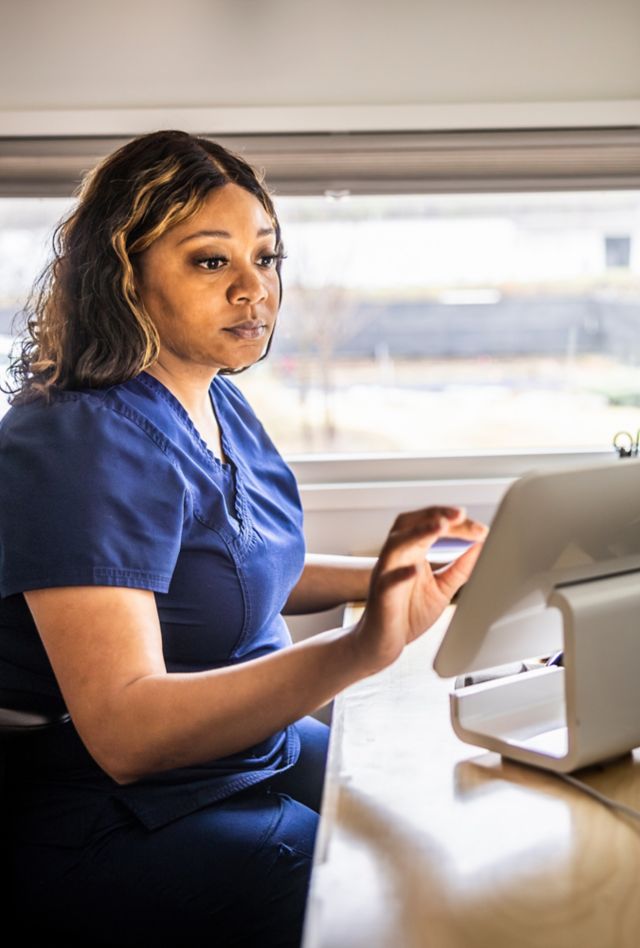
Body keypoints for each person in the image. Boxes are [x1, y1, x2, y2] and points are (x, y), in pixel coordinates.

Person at [0, 130, 486, 948]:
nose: (254, 289)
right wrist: (362, 648)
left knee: (426, 814)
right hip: (97, 804)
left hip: (237, 753)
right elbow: (125, 733)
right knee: (368, 897)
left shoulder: (210, 396)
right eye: (210, 261)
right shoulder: (76, 443)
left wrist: (404, 577)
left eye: (266, 258)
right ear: (124, 277)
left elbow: (229, 566)